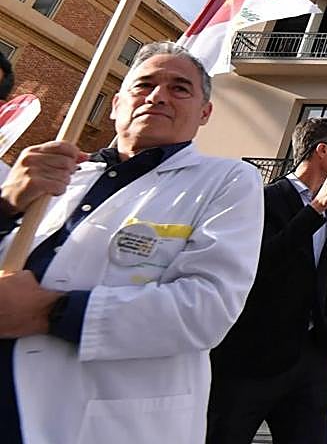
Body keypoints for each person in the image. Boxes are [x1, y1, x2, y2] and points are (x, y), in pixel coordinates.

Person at [0, 42, 264, 444]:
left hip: (105, 421)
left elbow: (208, 306)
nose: (158, 95)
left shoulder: (227, 181)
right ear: (115, 103)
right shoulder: (55, 174)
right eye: (144, 85)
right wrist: (8, 204)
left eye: (179, 88)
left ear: (205, 112)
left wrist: (48, 312)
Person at [207, 116, 327, 444]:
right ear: (321, 150)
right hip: (254, 358)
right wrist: (314, 208)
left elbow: (325, 275)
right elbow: (260, 264)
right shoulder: (265, 199)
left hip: (311, 360)